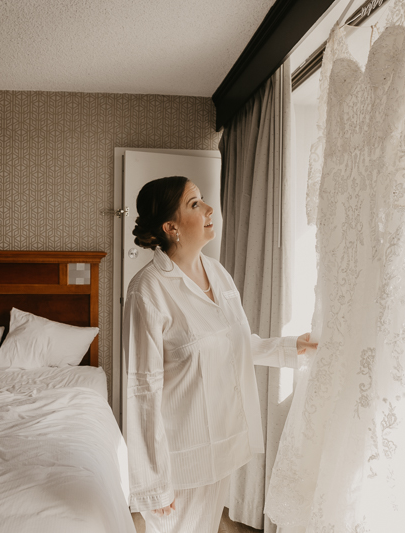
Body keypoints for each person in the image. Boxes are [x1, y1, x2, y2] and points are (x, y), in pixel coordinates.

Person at [124, 176, 317, 533]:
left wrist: (292, 346)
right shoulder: (147, 291)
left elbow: (236, 343)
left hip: (224, 440)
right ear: (171, 227)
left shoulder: (216, 272)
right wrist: (153, 483)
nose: (210, 208)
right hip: (179, 458)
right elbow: (141, 392)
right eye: (195, 204)